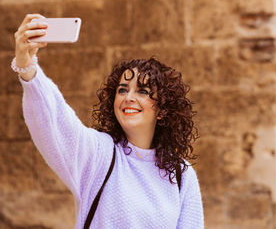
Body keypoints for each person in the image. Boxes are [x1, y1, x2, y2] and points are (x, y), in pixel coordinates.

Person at [13, 14, 204, 229]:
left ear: (162, 110)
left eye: (142, 91)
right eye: (122, 89)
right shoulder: (100, 153)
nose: (128, 97)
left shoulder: (180, 175)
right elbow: (56, 120)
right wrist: (28, 68)